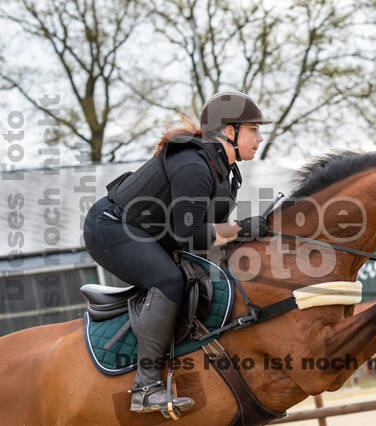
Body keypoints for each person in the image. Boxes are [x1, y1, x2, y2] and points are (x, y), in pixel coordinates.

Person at [83, 90, 272, 414]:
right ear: (230, 131)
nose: (260, 137)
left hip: (146, 232)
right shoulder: (193, 166)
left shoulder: (224, 172)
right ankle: (145, 387)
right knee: (169, 281)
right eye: (254, 130)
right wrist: (242, 228)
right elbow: (189, 235)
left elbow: (210, 237)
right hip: (111, 227)